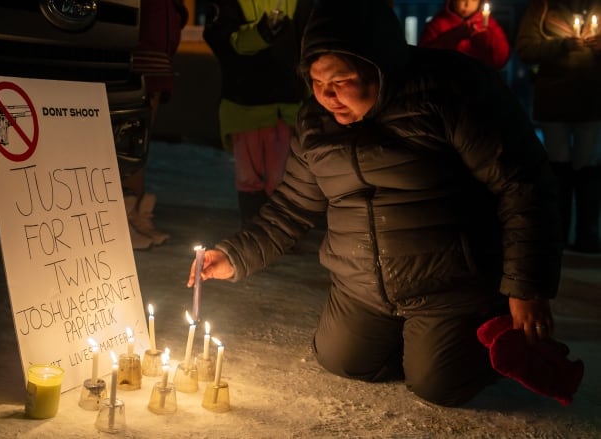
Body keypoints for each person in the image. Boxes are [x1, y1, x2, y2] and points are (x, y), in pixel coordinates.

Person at [187, 0, 563, 407]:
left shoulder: (451, 90)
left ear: (378, 64)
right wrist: (233, 255)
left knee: (437, 385)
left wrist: (526, 287)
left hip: (449, 283)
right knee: (342, 360)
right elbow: (293, 205)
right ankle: (415, 345)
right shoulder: (316, 122)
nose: (326, 96)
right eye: (315, 82)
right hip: (362, 287)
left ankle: (467, 337)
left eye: (341, 80)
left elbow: (522, 185)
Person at [203, 0, 313, 224]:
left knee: (276, 179)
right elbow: (220, 38)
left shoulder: (304, 4)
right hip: (247, 104)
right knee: (257, 180)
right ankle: (258, 234)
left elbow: (311, 46)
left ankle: (273, 235)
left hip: (281, 105)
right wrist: (261, 33)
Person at [515, 0, 601, 254]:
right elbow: (525, 48)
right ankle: (557, 233)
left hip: (592, 102)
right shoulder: (542, 7)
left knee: (589, 168)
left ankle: (587, 234)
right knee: (558, 168)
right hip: (555, 101)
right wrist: (561, 46)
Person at [123, 0, 189, 250]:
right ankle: (121, 219)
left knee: (139, 147)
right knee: (126, 145)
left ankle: (135, 214)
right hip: (135, 63)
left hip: (156, 66)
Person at [418, 0, 511, 70]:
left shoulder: (490, 25)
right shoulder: (437, 24)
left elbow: (501, 60)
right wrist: (453, 36)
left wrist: (489, 41)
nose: (467, 4)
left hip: (480, 87)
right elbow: (423, 59)